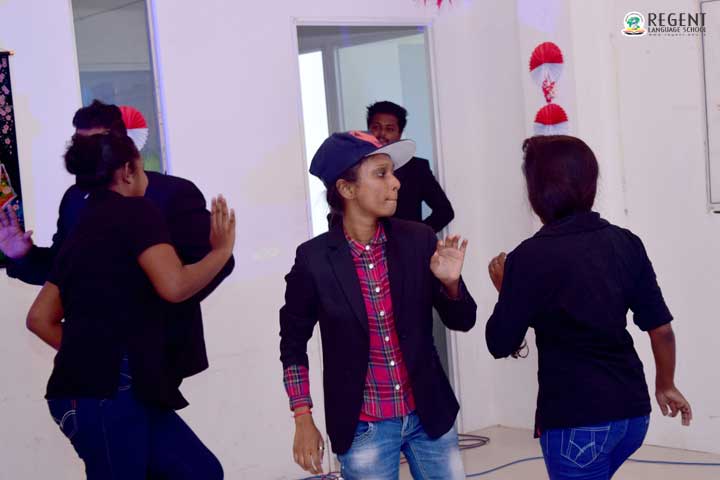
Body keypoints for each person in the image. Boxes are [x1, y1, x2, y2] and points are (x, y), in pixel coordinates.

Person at [26, 132, 235, 479]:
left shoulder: (84, 226)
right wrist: (221, 251)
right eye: (142, 167)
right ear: (127, 171)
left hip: (98, 391)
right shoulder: (136, 211)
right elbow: (175, 286)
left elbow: (39, 318)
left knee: (201, 472)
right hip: (108, 393)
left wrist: (90, 352)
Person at [485, 135, 692, 480]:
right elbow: (661, 329)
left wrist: (507, 291)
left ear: (537, 191)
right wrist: (666, 384)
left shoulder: (528, 258)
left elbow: (500, 342)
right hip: (632, 413)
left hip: (577, 420)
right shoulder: (626, 243)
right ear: (589, 184)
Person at [279, 131, 477, 479]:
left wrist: (451, 284)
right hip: (364, 427)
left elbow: (463, 320)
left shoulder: (418, 239)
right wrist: (302, 416)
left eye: (393, 173)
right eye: (381, 174)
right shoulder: (314, 260)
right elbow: (293, 344)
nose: (395, 183)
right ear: (347, 189)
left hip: (429, 415)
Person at [0, 99, 234, 385]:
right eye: (79, 145)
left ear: (123, 151)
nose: (86, 154)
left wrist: (156, 308)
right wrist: (24, 257)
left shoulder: (171, 194)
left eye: (94, 145)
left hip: (153, 350)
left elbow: (207, 267)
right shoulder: (77, 200)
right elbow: (62, 274)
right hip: (105, 358)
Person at [367, 100, 454, 232]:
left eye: (389, 129)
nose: (382, 134)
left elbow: (444, 212)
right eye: (376, 127)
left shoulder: (417, 168)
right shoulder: (355, 167)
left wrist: (417, 237)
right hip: (363, 244)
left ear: (400, 134)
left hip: (404, 244)